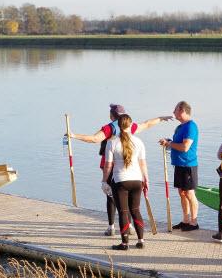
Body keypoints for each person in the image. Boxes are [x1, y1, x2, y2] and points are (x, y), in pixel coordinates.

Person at [67, 104, 171, 236]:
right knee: (129, 200)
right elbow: (147, 124)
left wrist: (74, 135)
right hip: (130, 168)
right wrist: (161, 118)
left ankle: (111, 227)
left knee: (111, 197)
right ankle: (131, 228)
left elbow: (94, 139)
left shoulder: (109, 128)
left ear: (111, 116)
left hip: (110, 167)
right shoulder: (130, 126)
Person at [102, 115, 149, 250]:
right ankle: (141, 241)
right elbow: (143, 164)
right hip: (137, 180)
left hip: (120, 181)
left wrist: (104, 181)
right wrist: (146, 180)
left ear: (118, 125)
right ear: (131, 125)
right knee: (136, 210)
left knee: (123, 212)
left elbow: (108, 165)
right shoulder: (139, 142)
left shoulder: (112, 142)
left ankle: (124, 243)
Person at [159, 101, 199, 231]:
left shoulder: (190, 126)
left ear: (182, 111)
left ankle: (194, 222)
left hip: (188, 164)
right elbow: (177, 143)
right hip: (179, 164)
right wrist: (169, 142)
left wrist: (169, 144)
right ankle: (185, 220)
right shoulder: (180, 127)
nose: (173, 112)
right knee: (182, 192)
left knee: (189, 193)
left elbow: (185, 147)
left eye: (175, 110)